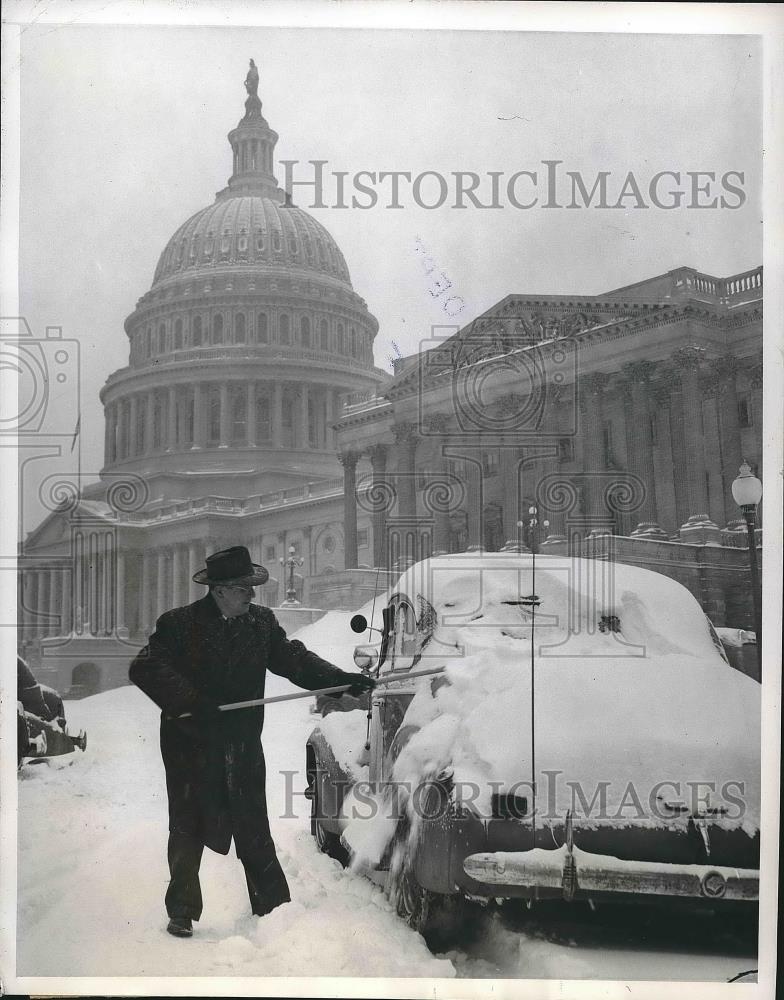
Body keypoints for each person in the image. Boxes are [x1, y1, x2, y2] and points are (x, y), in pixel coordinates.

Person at [129, 545, 375, 938]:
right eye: (244, 587)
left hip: (241, 743)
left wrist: (343, 679)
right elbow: (145, 666)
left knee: (252, 823)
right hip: (189, 744)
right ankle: (182, 910)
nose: (252, 594)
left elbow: (293, 661)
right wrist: (193, 702)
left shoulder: (259, 624)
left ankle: (274, 908)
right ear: (221, 590)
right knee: (188, 826)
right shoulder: (179, 624)